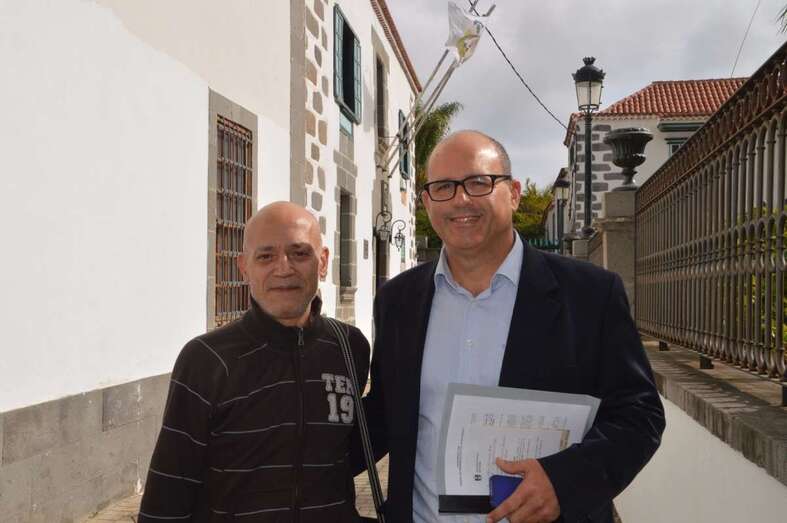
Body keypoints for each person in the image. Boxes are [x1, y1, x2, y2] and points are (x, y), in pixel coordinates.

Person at [361, 130, 665, 523]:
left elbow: (639, 415)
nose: (461, 199)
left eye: (478, 182)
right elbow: (384, 416)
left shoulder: (590, 294)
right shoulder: (397, 301)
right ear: (426, 201)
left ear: (514, 192)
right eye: (443, 187)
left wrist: (565, 481)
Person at [139, 201, 370, 522]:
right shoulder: (207, 359)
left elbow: (344, 451)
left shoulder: (349, 347)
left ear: (323, 262)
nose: (284, 268)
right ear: (244, 266)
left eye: (300, 253)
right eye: (266, 256)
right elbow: (171, 487)